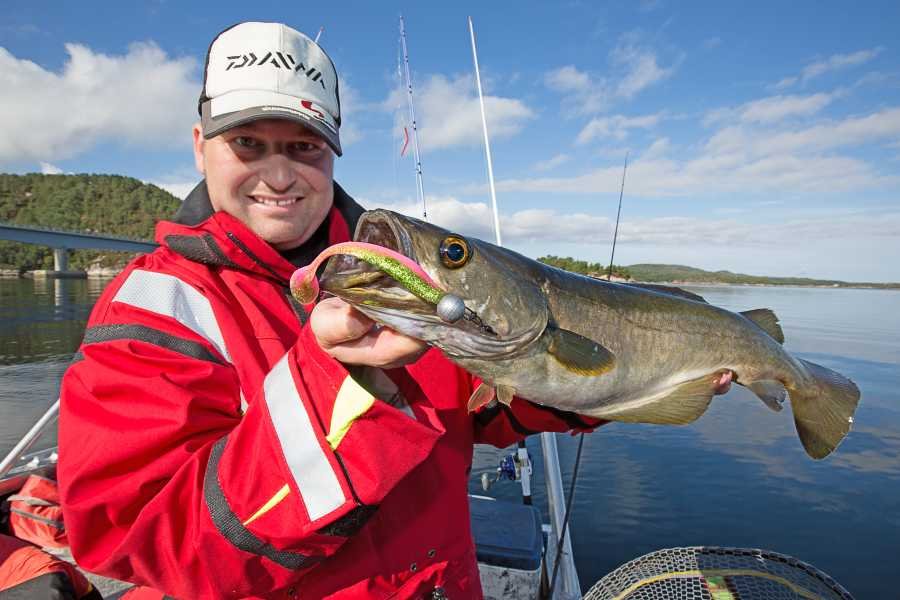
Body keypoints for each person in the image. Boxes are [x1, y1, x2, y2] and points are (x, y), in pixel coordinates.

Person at [58, 21, 728, 600]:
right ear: (200, 143)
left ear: (334, 149)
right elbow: (141, 543)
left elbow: (484, 406)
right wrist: (339, 384)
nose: (280, 175)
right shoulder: (156, 309)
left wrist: (629, 369)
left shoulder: (397, 276)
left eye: (302, 147)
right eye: (248, 145)